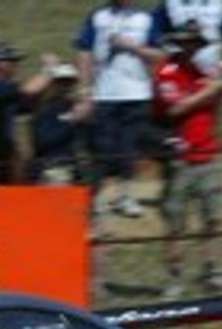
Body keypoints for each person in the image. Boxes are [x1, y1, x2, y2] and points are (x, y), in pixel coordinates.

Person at [153, 21, 222, 298]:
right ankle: (173, 278)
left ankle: (213, 271)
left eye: (195, 42)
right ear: (179, 43)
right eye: (186, 41)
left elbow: (215, 105)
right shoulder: (167, 71)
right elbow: (176, 108)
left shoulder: (203, 71)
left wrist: (221, 87)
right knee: (176, 223)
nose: (191, 47)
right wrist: (214, 89)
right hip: (180, 158)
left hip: (209, 153)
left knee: (213, 218)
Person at [74, 0, 163, 216]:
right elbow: (84, 52)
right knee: (102, 148)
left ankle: (126, 196)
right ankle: (96, 198)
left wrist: (131, 46)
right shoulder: (97, 16)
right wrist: (85, 91)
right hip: (105, 93)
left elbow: (159, 55)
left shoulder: (146, 19)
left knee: (130, 148)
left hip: (137, 93)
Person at [0, 42, 52, 185]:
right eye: (11, 61)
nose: (15, 65)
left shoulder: (2, 91)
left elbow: (28, 104)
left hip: (2, 162)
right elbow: (28, 91)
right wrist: (50, 69)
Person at [30, 63, 89, 185]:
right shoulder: (46, 109)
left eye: (70, 82)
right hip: (53, 169)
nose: (66, 87)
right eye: (62, 82)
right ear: (54, 84)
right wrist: (72, 121)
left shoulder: (76, 107)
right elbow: (44, 141)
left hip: (77, 169)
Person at [149, 0, 222, 74]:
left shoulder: (218, 4)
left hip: (209, 70)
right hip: (177, 71)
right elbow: (154, 34)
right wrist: (172, 52)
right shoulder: (170, 3)